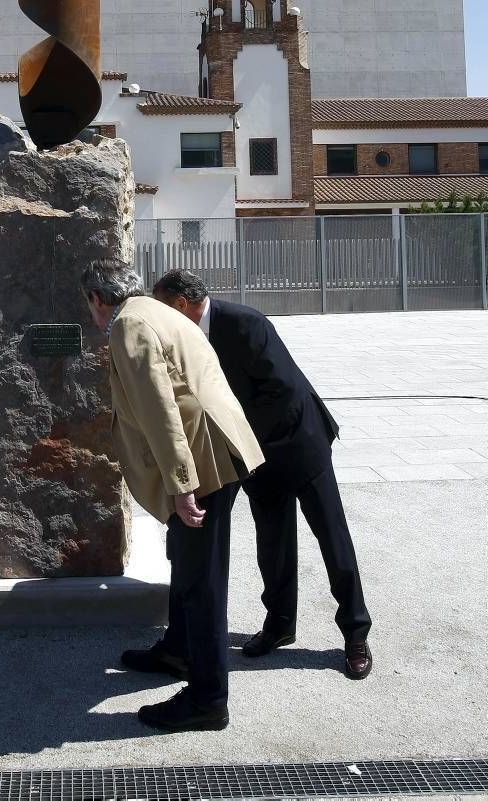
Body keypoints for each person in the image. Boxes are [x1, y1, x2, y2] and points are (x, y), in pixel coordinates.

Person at [152, 268, 372, 681]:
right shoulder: (182, 337)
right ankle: (279, 624)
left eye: (164, 307)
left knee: (333, 538)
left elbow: (282, 391)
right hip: (255, 454)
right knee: (272, 542)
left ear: (182, 304)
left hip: (299, 442)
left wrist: (235, 435)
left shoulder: (245, 324)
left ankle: (356, 633)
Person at [81, 258, 264, 733]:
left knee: (202, 584)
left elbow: (160, 407)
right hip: (219, 448)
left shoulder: (128, 324)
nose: (94, 316)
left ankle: (207, 699)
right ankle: (179, 651)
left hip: (204, 465)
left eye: (91, 307)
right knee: (186, 563)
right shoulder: (155, 310)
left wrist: (182, 486)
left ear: (98, 299)